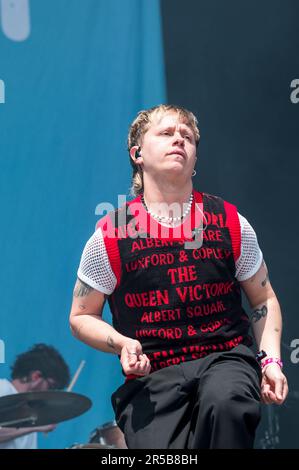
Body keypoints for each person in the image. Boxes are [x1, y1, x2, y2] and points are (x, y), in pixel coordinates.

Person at [69, 104, 288, 449]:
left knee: (226, 400)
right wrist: (123, 344)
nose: (179, 141)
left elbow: (263, 300)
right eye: (167, 133)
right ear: (137, 153)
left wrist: (271, 361)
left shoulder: (229, 221)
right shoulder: (110, 234)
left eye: (187, 137)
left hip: (225, 357)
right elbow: (81, 316)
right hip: (154, 375)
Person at [0, 343, 70, 449]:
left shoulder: (30, 411)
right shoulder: (2, 388)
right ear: (36, 376)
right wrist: (35, 427)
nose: (51, 394)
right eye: (51, 386)